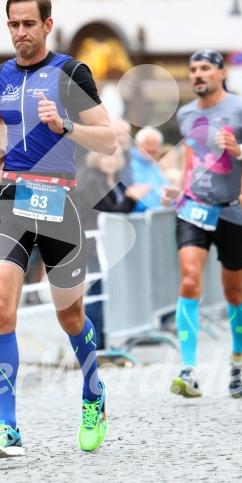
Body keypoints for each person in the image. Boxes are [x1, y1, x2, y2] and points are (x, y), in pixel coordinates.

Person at [0, 0, 117, 458]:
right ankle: (7, 426)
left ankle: (93, 391)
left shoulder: (71, 72)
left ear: (47, 25)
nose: (20, 33)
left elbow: (110, 141)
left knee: (70, 317)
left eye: (28, 24)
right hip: (12, 197)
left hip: (59, 202)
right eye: (13, 25)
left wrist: (67, 128)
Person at [162, 49, 242, 398]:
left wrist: (240, 154)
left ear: (221, 72)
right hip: (195, 207)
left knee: (234, 292)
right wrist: (180, 187)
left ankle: (238, 361)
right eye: (193, 69)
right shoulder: (184, 114)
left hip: (234, 210)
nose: (197, 74)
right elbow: (190, 156)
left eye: (205, 69)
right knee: (189, 279)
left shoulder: (241, 109)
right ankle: (189, 369)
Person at [78, 148, 150, 349]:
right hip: (94, 244)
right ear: (96, 157)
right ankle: (94, 344)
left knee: (105, 293)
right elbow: (107, 212)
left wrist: (131, 199)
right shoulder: (91, 179)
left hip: (110, 244)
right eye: (105, 155)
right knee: (97, 293)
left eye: (113, 156)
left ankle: (102, 340)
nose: (110, 161)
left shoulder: (113, 180)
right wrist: (131, 198)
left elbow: (119, 212)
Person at [131, 126, 171, 212]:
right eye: (148, 144)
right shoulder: (131, 165)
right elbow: (142, 200)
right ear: (138, 145)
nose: (152, 148)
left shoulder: (153, 166)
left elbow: (168, 190)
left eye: (155, 145)